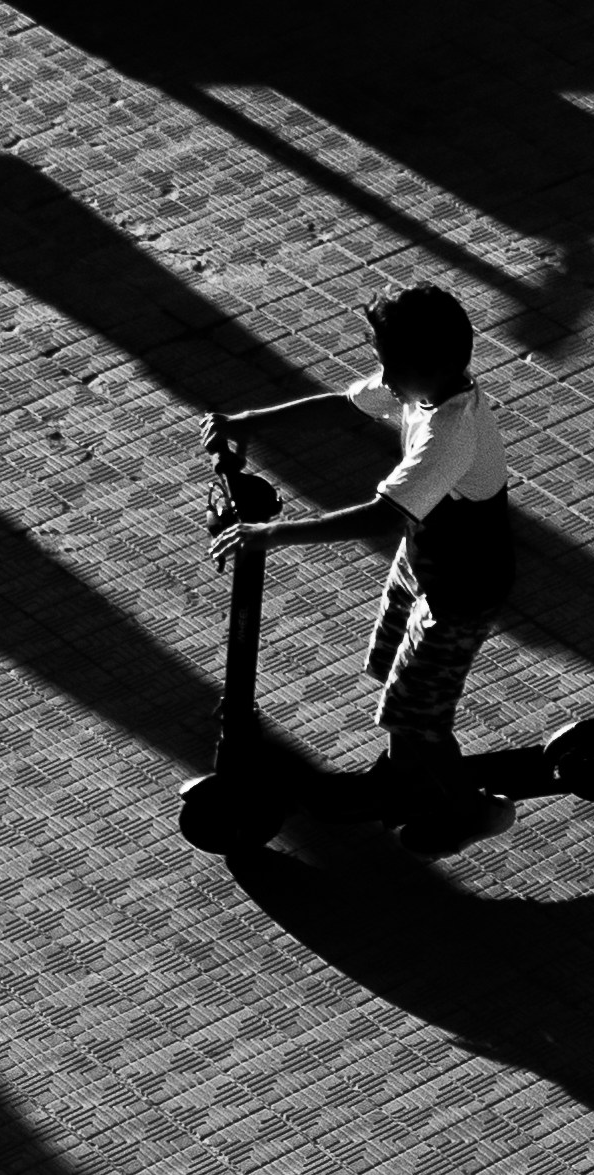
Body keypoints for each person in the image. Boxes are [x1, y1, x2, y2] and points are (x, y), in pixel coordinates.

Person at [205, 285, 519, 794]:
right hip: (424, 558)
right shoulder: (421, 387)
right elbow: (343, 407)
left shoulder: (451, 433)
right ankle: (401, 775)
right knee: (394, 669)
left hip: (462, 589)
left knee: (416, 715)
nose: (384, 378)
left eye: (390, 366)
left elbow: (377, 518)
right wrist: (248, 423)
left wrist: (272, 534)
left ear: (433, 365)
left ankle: (471, 812)